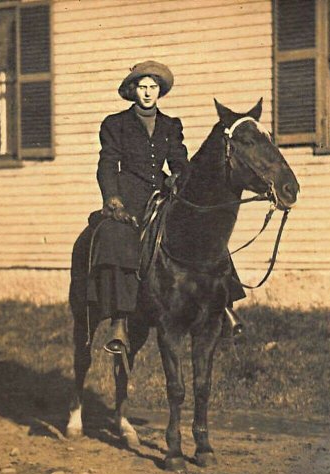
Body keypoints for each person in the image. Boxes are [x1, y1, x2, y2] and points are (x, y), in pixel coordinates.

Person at [92, 61, 243, 356]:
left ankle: (224, 307)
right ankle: (120, 321)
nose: (148, 93)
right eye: (142, 86)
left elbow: (178, 158)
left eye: (153, 87)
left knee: (206, 230)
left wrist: (178, 175)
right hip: (129, 194)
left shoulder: (171, 125)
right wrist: (112, 198)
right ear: (132, 90)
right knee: (115, 235)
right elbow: (107, 163)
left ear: (160, 91)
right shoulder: (115, 124)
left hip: (164, 190)